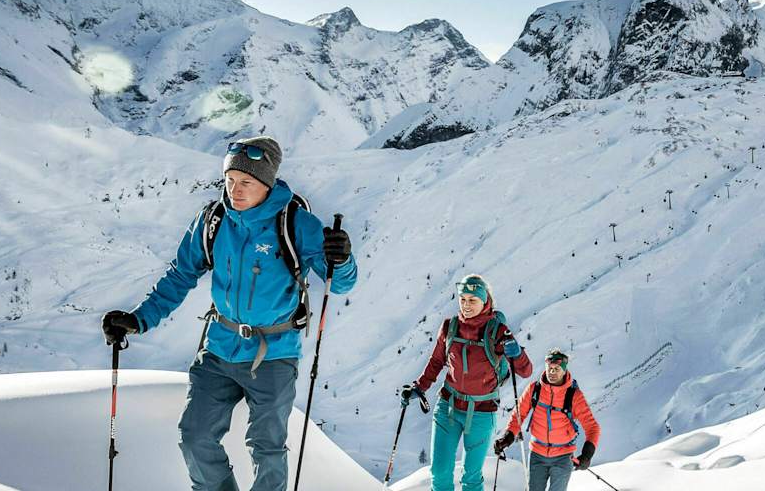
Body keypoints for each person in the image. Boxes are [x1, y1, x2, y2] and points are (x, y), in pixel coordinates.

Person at [100, 135, 356, 491]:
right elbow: (181, 274)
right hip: (219, 349)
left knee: (267, 450)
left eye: (246, 182)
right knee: (195, 437)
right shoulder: (213, 220)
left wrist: (342, 260)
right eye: (230, 180)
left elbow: (338, 284)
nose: (235, 190)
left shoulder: (297, 224)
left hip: (274, 354)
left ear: (266, 184)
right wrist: (139, 319)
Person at [400, 274, 533, 491]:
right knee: (440, 472)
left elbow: (525, 371)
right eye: (463, 299)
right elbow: (436, 361)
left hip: (482, 411)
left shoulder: (497, 331)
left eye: (472, 300)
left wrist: (517, 354)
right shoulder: (449, 327)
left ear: (485, 300)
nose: (466, 305)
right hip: (448, 406)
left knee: (471, 478)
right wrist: (419, 387)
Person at [493, 349, 601, 491]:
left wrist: (587, 455)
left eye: (556, 369)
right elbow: (517, 417)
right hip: (537, 455)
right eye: (550, 368)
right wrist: (507, 437)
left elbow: (592, 427)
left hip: (563, 457)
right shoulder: (534, 390)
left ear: (564, 371)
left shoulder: (573, 396)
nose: (552, 372)